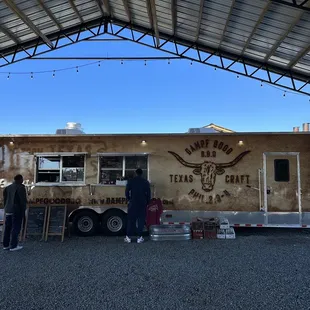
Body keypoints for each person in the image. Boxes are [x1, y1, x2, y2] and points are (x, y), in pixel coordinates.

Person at [124, 168, 151, 243]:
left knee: (131, 220)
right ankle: (139, 237)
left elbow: (126, 191)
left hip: (133, 203)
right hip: (142, 203)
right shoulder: (145, 182)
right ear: (142, 174)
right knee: (141, 220)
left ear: (136, 173)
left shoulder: (131, 181)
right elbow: (148, 193)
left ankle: (128, 237)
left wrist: (129, 199)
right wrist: (147, 202)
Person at [2, 174, 27, 251]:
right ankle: (13, 245)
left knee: (7, 228)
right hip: (16, 210)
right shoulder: (21, 187)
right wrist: (23, 210)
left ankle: (5, 245)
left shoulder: (7, 188)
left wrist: (5, 207)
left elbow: (5, 199)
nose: (22, 181)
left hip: (8, 209)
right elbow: (22, 200)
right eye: (22, 179)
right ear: (20, 179)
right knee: (15, 227)